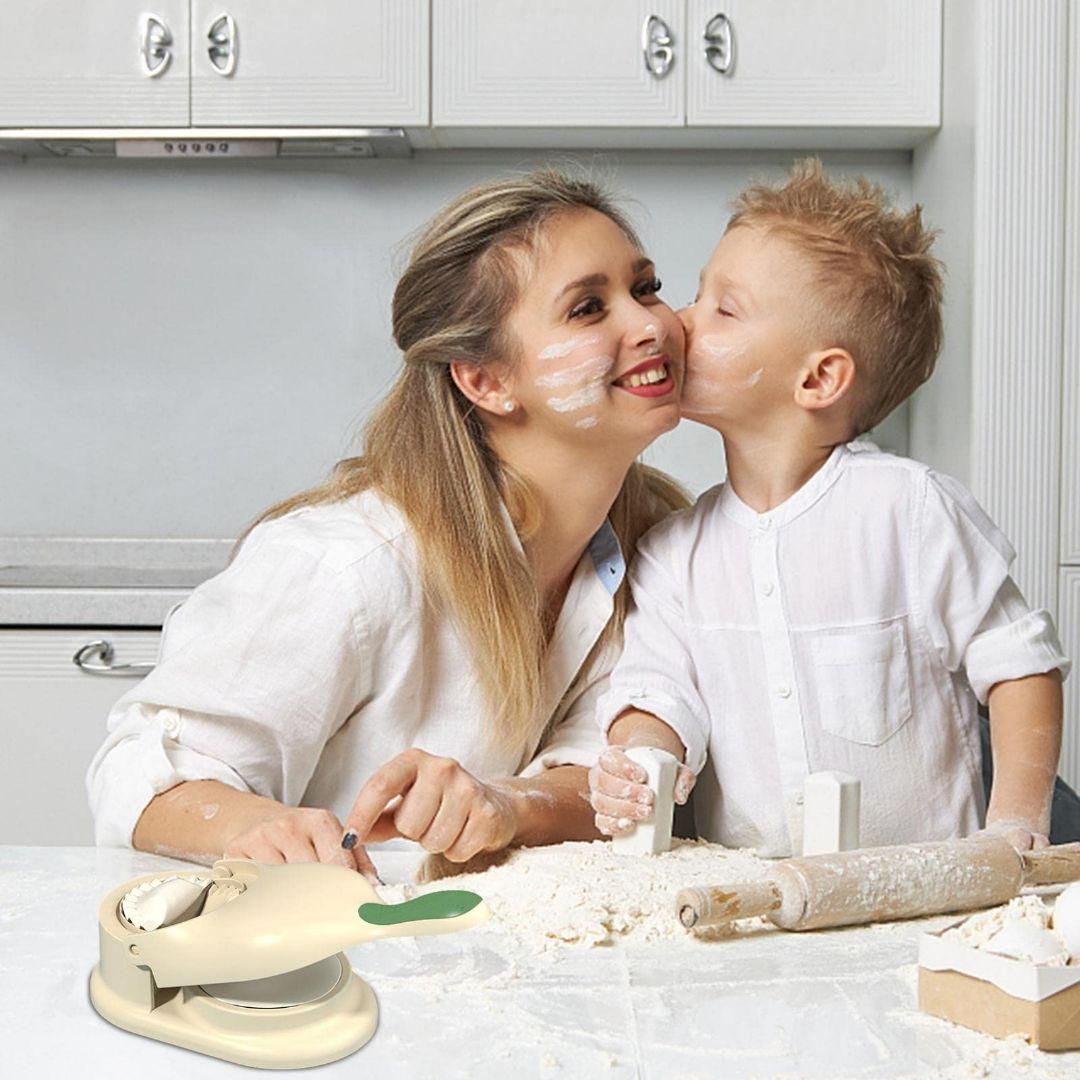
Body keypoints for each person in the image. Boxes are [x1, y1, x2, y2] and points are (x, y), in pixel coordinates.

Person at [87, 169, 689, 881]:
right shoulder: (349, 566)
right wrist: (266, 830)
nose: (651, 323)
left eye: (645, 288)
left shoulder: (660, 545)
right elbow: (139, 773)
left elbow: (610, 780)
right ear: (485, 381)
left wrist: (509, 804)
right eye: (589, 308)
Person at [588, 159, 1071, 857]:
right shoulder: (674, 552)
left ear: (817, 379)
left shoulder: (910, 514)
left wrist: (1014, 829)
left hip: (926, 905)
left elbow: (1019, 663)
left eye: (723, 308)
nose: (681, 321)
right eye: (696, 295)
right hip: (764, 913)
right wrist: (638, 759)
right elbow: (658, 690)